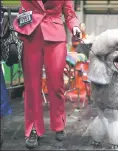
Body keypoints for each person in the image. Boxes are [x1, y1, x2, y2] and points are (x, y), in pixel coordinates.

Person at [13, 0, 81, 149]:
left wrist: (75, 27)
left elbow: (69, 13)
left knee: (57, 85)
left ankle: (59, 124)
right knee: (32, 87)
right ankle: (33, 129)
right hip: (31, 35)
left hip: (55, 36)